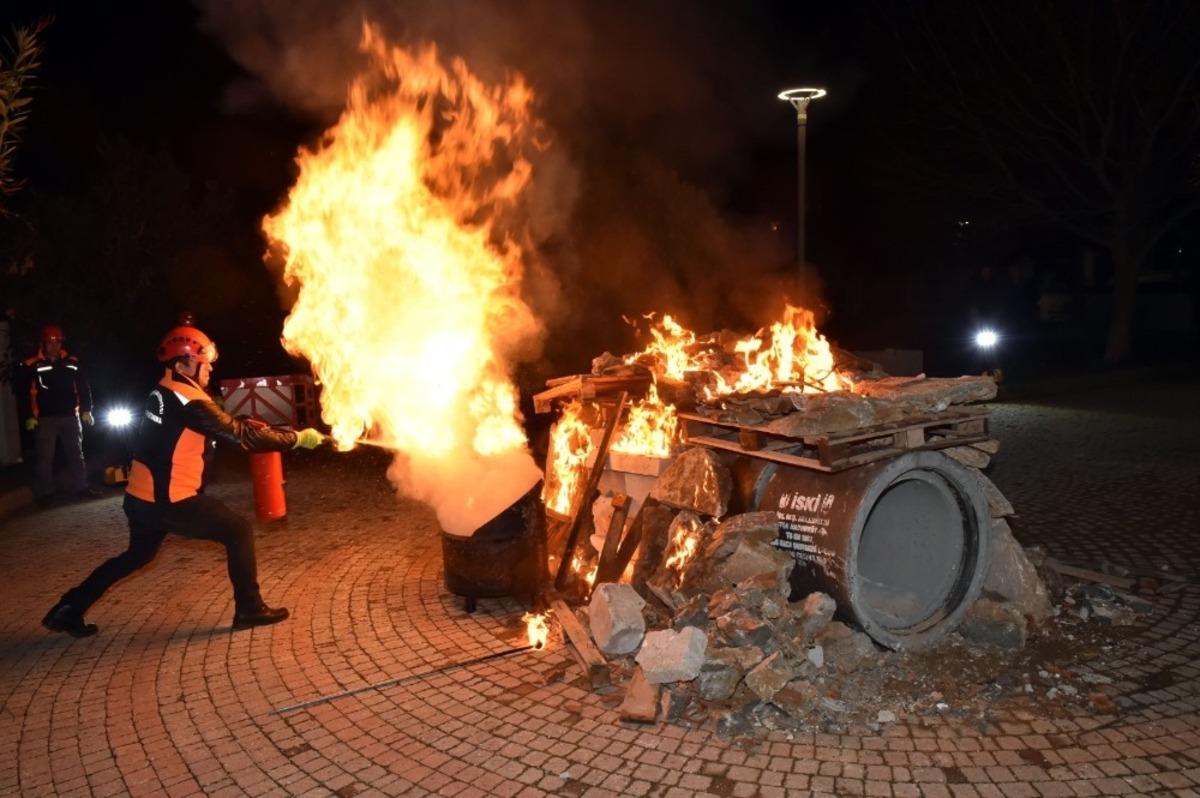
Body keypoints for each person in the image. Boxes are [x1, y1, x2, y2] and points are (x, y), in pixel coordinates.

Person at [42, 324, 326, 637]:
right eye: (205, 362)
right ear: (183, 364)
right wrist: (296, 439)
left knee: (135, 557)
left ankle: (68, 609)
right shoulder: (188, 399)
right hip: (168, 500)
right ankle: (250, 609)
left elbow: (224, 424)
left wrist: (249, 426)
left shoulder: (166, 389)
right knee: (238, 530)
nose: (210, 368)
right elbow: (238, 435)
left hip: (141, 497)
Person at [20, 324, 98, 501]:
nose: (53, 347)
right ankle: (45, 493)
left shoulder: (72, 362)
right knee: (45, 458)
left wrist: (87, 410)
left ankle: (81, 488)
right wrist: (29, 416)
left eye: (56, 343)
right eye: (49, 343)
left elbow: (84, 387)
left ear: (61, 343)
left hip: (70, 416)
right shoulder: (32, 365)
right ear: (43, 344)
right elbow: (26, 393)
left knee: (76, 454)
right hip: (46, 419)